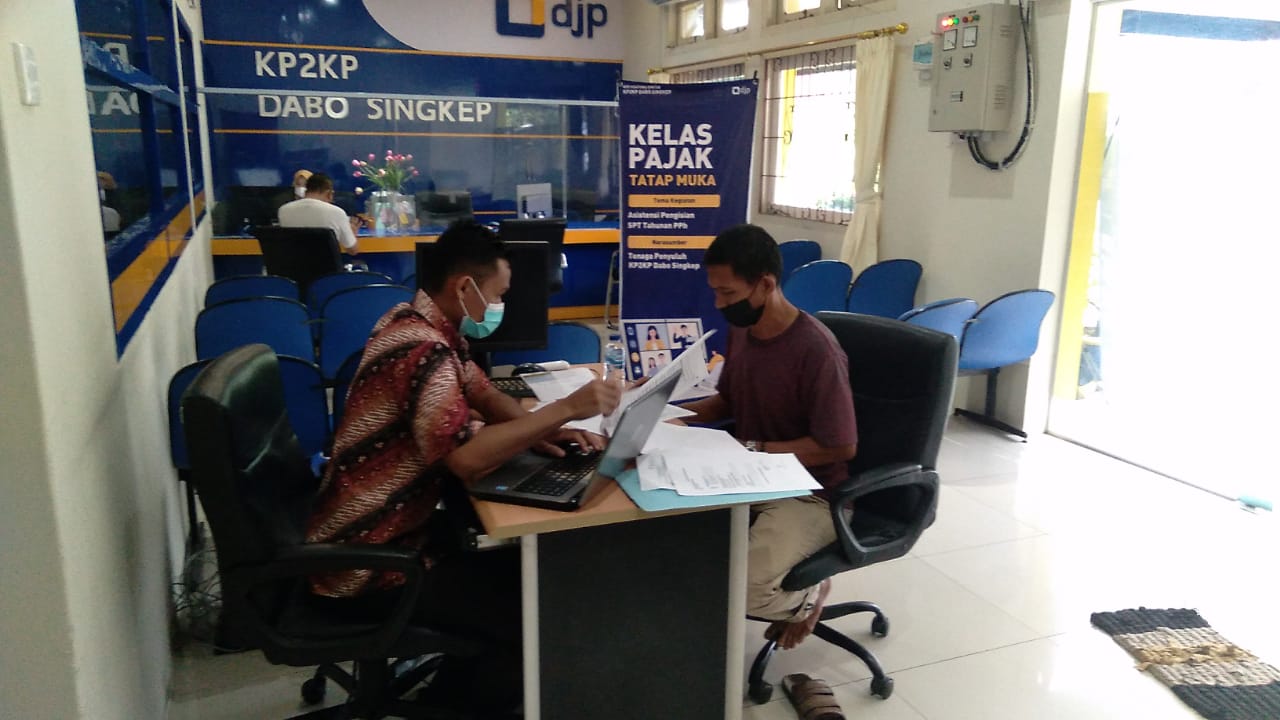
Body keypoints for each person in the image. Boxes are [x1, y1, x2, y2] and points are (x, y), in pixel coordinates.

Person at [305, 220, 621, 716]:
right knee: (535, 606)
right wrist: (565, 409)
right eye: (498, 294)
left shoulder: (419, 324)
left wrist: (540, 430)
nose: (501, 305)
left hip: (387, 537)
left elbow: (484, 393)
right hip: (368, 566)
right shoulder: (421, 350)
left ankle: (454, 698)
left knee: (527, 574)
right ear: (464, 287)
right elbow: (466, 459)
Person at [680, 224, 857, 651]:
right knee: (670, 546)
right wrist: (670, 417)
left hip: (810, 493)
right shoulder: (743, 329)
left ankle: (810, 596)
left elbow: (840, 445)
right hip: (749, 477)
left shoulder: (817, 350)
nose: (719, 304)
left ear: (766, 284)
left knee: (743, 587)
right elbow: (727, 401)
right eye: (715, 292)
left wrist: (754, 451)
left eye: (728, 293)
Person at [277, 172, 361, 255]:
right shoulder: (337, 213)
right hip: (326, 264)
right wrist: (353, 233)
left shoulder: (283, 211)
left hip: (292, 263)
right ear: (329, 194)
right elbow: (353, 251)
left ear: (306, 191)